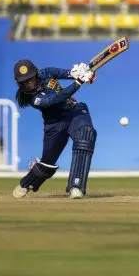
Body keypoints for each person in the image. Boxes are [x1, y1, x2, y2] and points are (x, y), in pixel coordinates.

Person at [12, 59, 96, 200]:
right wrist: (78, 82)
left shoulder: (46, 73)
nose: (29, 83)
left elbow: (66, 73)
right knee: (46, 165)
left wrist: (78, 73)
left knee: (85, 135)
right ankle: (26, 183)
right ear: (20, 84)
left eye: (31, 79)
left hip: (74, 111)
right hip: (54, 124)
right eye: (25, 82)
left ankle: (76, 186)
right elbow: (56, 99)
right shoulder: (33, 99)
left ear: (37, 74)